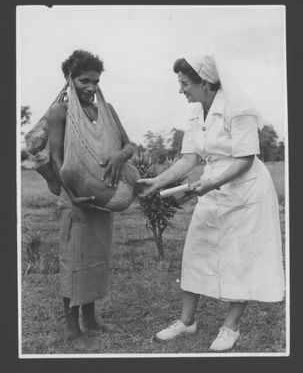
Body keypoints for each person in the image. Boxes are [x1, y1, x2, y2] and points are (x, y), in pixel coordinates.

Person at [137, 54, 285, 352]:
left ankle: (231, 327)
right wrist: (160, 181)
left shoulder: (238, 107)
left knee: (239, 258)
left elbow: (244, 159)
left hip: (245, 189)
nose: (181, 90)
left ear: (205, 83)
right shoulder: (195, 112)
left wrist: (210, 184)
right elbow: (189, 158)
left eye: (185, 83)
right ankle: (187, 321)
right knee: (197, 251)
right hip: (211, 187)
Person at [47, 50, 134, 347]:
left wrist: (117, 157)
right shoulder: (59, 112)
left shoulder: (106, 110)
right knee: (74, 260)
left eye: (96, 81)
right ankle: (72, 330)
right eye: (84, 80)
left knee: (95, 259)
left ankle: (92, 319)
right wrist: (72, 195)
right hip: (75, 198)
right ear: (69, 79)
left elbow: (128, 145)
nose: (91, 86)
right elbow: (56, 158)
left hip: (102, 193)